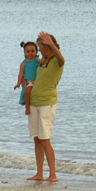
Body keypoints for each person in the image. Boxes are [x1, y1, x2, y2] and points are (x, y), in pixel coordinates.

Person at [27, 32, 64, 183]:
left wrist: (52, 44)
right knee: (37, 139)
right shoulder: (41, 61)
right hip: (35, 102)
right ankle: (39, 173)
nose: (39, 50)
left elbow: (62, 59)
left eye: (40, 47)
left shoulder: (56, 61)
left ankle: (53, 174)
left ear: (47, 46)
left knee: (45, 139)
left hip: (47, 102)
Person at [14, 41, 40, 115]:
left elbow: (44, 65)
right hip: (28, 81)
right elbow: (21, 73)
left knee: (29, 91)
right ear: (24, 53)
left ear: (36, 51)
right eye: (28, 51)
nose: (30, 53)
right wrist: (18, 83)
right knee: (27, 92)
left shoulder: (37, 60)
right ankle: (27, 108)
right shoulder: (23, 63)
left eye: (33, 51)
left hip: (35, 80)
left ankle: (29, 108)